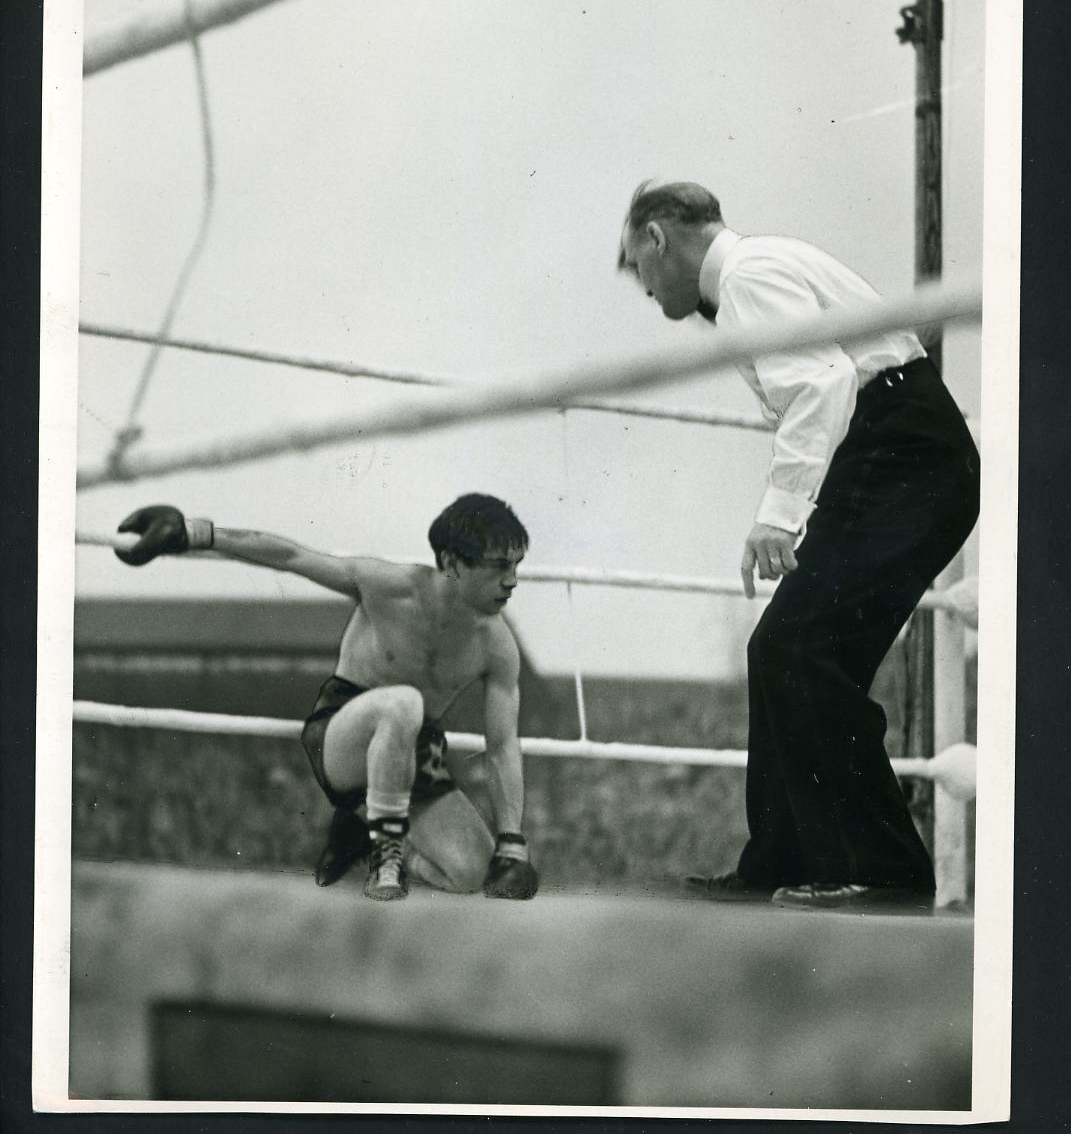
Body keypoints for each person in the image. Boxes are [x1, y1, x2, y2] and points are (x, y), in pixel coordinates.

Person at [617, 180, 980, 911]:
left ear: (657, 238)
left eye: (637, 266)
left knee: (802, 650)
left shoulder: (749, 277)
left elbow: (821, 383)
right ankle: (781, 858)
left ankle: (882, 871)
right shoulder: (761, 271)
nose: (646, 290)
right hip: (891, 457)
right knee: (782, 649)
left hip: (901, 456)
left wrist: (777, 518)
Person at [115, 493, 539, 904]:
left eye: (517, 565)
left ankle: (368, 831)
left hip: (412, 753)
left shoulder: (497, 646)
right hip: (343, 735)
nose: (512, 581)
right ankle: (384, 853)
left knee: (470, 872)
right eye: (499, 566)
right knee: (403, 703)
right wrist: (195, 532)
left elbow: (502, 746)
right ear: (451, 563)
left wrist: (511, 841)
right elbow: (291, 557)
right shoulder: (389, 586)